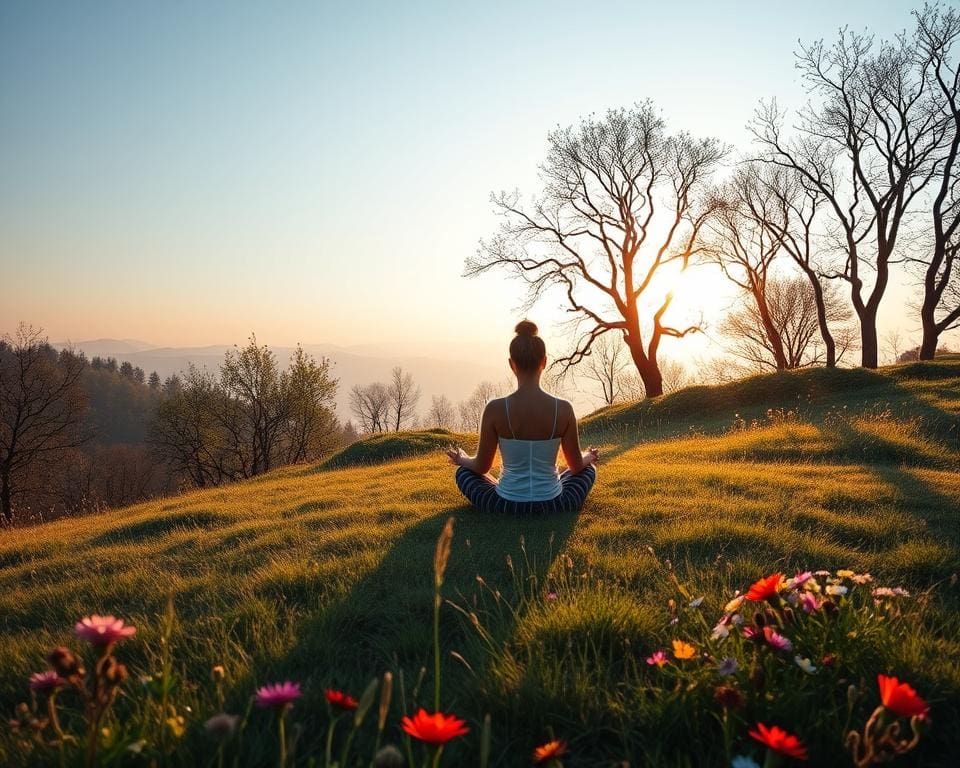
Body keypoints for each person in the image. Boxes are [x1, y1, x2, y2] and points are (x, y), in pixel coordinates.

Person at [446, 320, 598, 515]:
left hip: (505, 505)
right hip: (555, 505)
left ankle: (501, 487)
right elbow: (576, 466)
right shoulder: (564, 409)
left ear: (511, 364)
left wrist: (462, 459)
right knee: (589, 469)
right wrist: (589, 457)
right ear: (544, 361)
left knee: (463, 473)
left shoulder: (495, 409)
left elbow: (481, 466)